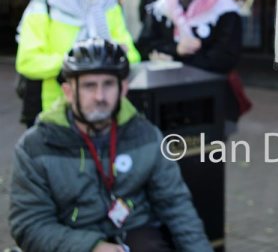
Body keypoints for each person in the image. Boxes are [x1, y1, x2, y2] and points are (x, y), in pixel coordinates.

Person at [9, 38, 211, 252]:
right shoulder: (35, 146)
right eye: (89, 86)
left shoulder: (146, 135)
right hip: (71, 240)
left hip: (133, 231)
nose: (100, 96)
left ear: (123, 89)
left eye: (108, 84)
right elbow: (29, 225)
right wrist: (91, 247)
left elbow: (176, 206)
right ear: (68, 92)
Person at [15, 0, 141, 127]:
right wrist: (79, 60)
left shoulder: (110, 4)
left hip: (104, 110)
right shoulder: (45, 2)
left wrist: (111, 56)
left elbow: (132, 56)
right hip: (54, 112)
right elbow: (27, 62)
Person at [136, 0, 250, 124]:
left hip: (209, 102)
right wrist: (176, 49)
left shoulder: (224, 8)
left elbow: (225, 57)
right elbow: (143, 45)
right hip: (165, 102)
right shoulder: (162, 6)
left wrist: (176, 58)